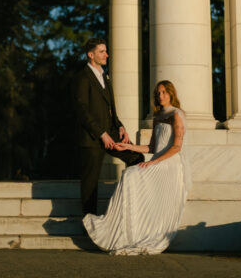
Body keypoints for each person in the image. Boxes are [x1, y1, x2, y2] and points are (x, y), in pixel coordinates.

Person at [83, 79, 190, 255]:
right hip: (157, 160)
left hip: (170, 163)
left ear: (171, 93)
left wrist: (154, 162)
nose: (160, 96)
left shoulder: (177, 114)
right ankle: (123, 229)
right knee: (129, 174)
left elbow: (176, 147)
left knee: (132, 174)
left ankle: (134, 230)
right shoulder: (158, 117)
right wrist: (128, 146)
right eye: (158, 93)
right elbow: (152, 147)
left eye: (164, 92)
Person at [72, 38, 144, 215]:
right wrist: (101, 133)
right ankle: (89, 224)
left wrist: (120, 126)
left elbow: (111, 107)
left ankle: (132, 208)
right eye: (102, 52)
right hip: (92, 138)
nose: (107, 55)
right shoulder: (81, 77)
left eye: (106, 51)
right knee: (90, 184)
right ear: (91, 55)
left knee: (137, 158)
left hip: (112, 133)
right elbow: (82, 111)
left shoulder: (105, 76)